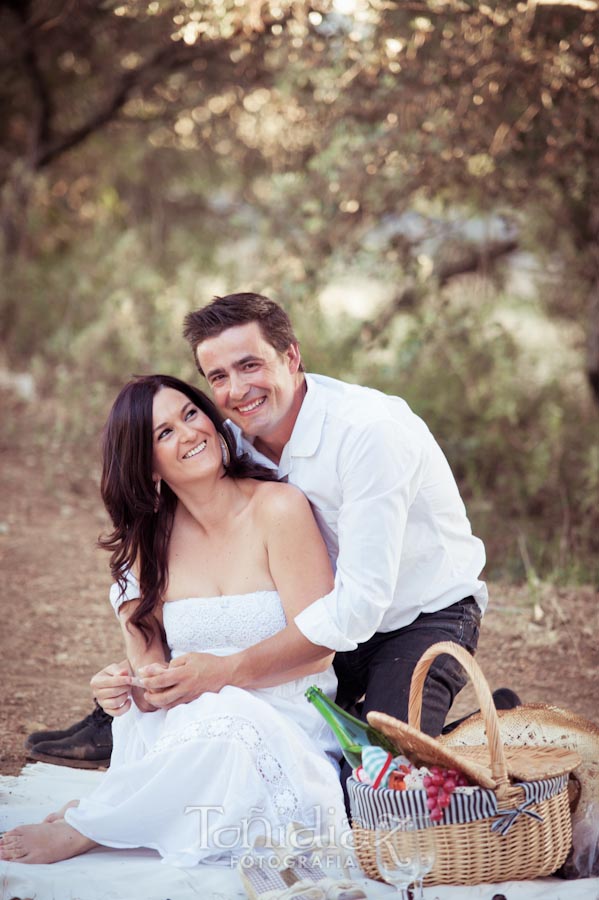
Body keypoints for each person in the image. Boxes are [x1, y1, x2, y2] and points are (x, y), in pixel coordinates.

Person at [93, 294, 492, 771]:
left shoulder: (369, 433)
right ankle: (100, 726)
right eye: (219, 377)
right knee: (198, 734)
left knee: (378, 776)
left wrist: (227, 670)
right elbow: (165, 538)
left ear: (291, 357)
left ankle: (464, 735)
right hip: (321, 619)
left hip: (417, 617)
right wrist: (147, 677)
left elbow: (360, 606)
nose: (238, 390)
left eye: (249, 365)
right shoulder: (229, 439)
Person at [1, 374, 346, 865]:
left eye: (190, 414)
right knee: (150, 723)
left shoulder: (279, 509)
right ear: (148, 466)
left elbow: (320, 648)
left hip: (285, 719)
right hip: (190, 720)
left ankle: (94, 825)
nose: (188, 434)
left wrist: (222, 675)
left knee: (227, 721)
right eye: (163, 433)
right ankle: (129, 809)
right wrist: (124, 687)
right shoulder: (147, 544)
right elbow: (150, 674)